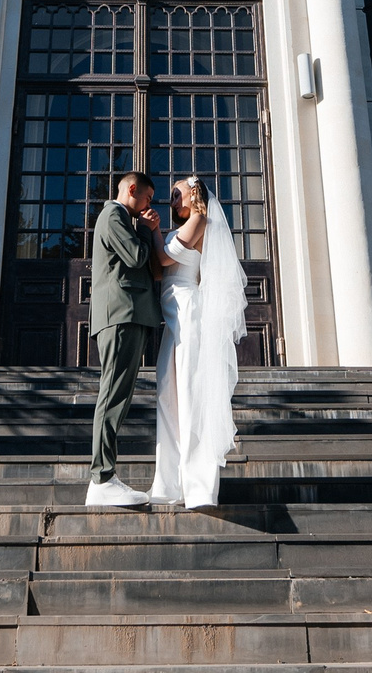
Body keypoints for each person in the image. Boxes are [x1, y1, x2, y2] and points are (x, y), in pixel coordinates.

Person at [149, 176, 248, 510]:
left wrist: (151, 230)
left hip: (190, 314)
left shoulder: (199, 219)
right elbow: (160, 268)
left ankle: (199, 487)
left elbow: (163, 260)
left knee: (191, 396)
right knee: (168, 395)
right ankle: (170, 484)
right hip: (174, 316)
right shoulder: (186, 224)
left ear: (193, 194)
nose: (172, 199)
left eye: (176, 193)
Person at [83, 171, 164, 507]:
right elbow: (136, 257)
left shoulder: (122, 218)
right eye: (147, 198)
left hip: (129, 314)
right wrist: (146, 229)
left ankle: (104, 476)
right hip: (120, 314)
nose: (149, 206)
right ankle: (101, 478)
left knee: (119, 394)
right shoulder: (113, 215)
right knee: (113, 394)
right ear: (132, 190)